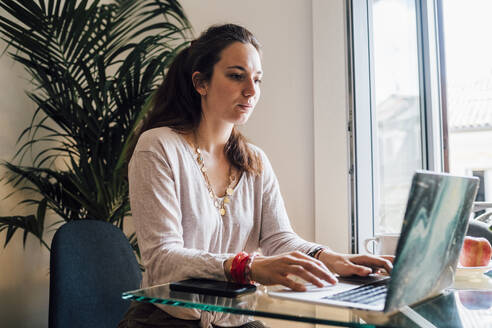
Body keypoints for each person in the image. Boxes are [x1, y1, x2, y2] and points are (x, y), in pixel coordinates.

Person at [119, 23, 393, 328]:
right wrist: (247, 266)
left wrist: (329, 258)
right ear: (201, 83)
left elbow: (278, 239)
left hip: (236, 321)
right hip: (166, 320)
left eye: (257, 79)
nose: (251, 90)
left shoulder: (254, 161)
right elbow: (164, 259)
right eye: (237, 76)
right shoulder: (159, 147)